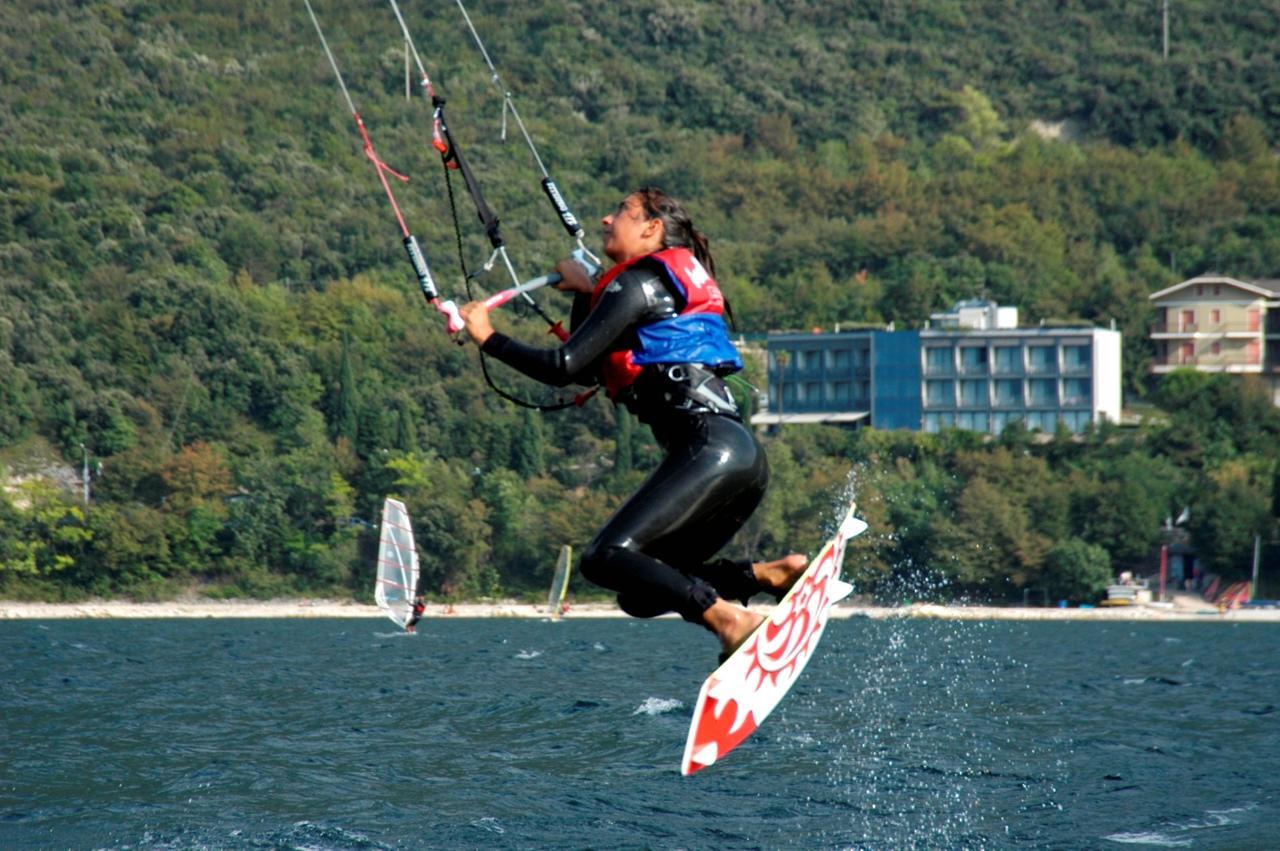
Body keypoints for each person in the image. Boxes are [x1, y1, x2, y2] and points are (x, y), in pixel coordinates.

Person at [459, 187, 805, 660]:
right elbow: (586, 365)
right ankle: (766, 576)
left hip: (711, 450)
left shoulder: (639, 281)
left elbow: (563, 365)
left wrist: (488, 337)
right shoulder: (648, 286)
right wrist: (585, 294)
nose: (605, 218)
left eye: (621, 210)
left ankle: (731, 620)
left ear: (651, 228)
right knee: (640, 593)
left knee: (604, 558)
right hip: (739, 458)